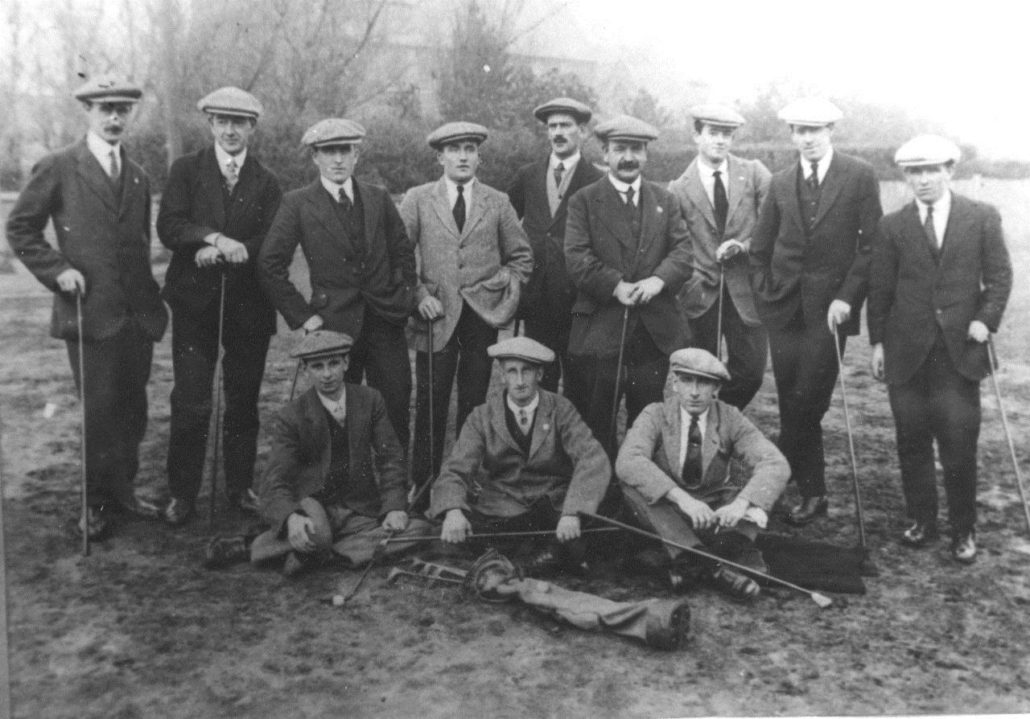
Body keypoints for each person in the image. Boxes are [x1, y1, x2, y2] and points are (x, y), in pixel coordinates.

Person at [5, 74, 168, 540]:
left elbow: (137, 241)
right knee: (99, 411)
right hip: (88, 311)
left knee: (133, 408)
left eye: (122, 110)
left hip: (136, 315)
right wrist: (57, 271)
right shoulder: (59, 166)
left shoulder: (137, 174)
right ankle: (92, 503)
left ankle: (123, 491)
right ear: (88, 113)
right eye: (105, 110)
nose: (115, 118)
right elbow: (20, 229)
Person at [868, 135, 1012, 563]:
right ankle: (921, 519)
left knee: (958, 444)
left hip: (959, 353)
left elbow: (1000, 279)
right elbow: (880, 289)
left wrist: (984, 321)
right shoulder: (892, 226)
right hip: (906, 353)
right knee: (911, 440)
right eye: (915, 172)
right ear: (905, 176)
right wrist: (877, 342)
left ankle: (963, 529)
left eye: (932, 170)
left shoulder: (981, 217)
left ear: (950, 170)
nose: (924, 180)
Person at [749, 98, 882, 525]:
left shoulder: (859, 175)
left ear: (830, 132)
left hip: (830, 312)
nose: (807, 138)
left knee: (808, 399)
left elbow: (870, 246)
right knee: (790, 399)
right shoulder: (783, 181)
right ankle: (812, 490)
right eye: (799, 130)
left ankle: (783, 470)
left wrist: (847, 297)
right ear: (791, 135)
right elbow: (760, 246)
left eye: (815, 130)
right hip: (783, 309)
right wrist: (765, 290)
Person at [157, 87, 282, 524]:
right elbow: (170, 225)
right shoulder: (187, 170)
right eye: (222, 121)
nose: (230, 130)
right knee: (191, 401)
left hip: (249, 306)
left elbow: (273, 239)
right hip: (194, 305)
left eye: (240, 122)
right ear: (210, 124)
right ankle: (183, 492)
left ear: (252, 127)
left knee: (243, 402)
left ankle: (239, 487)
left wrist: (235, 249)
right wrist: (208, 240)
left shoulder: (267, 181)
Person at [206, 331, 429, 575]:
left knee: (417, 529)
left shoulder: (370, 400)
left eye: (334, 363)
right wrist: (291, 517)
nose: (327, 374)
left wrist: (394, 506)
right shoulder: (292, 415)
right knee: (318, 532)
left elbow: (391, 458)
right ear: (305, 371)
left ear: (346, 363)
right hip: (313, 506)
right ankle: (252, 546)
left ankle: (323, 555)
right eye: (317, 366)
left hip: (359, 510)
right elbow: (274, 480)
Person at [400, 122, 533, 512]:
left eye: (470, 148)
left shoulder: (498, 201)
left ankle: (464, 481)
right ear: (439, 157)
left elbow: (522, 257)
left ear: (479, 156)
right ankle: (423, 482)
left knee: (474, 402)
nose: (462, 156)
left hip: (480, 319)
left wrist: (501, 288)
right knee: (430, 401)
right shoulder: (419, 198)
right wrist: (420, 294)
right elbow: (400, 256)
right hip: (435, 317)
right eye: (454, 149)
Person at [259, 118, 416, 448]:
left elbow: (402, 250)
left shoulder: (378, 198)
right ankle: (344, 490)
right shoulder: (298, 203)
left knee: (395, 406)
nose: (338, 160)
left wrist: (402, 297)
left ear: (356, 154)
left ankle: (396, 491)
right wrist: (303, 317)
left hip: (385, 322)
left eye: (345, 150)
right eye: (328, 152)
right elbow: (269, 264)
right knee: (338, 412)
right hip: (332, 325)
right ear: (315, 157)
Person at [563, 114, 692, 458]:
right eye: (619, 149)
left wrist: (657, 280)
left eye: (636, 149)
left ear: (647, 155)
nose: (628, 157)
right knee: (597, 418)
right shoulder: (584, 201)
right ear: (604, 153)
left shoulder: (665, 200)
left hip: (653, 332)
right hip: (601, 328)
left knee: (647, 417)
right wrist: (616, 286)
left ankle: (638, 486)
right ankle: (601, 491)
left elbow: (683, 252)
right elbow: (576, 257)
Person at [616, 348, 790, 601]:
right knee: (633, 487)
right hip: (669, 510)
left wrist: (740, 505)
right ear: (675, 384)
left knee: (764, 491)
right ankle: (708, 563)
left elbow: (775, 463)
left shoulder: (730, 417)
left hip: (714, 511)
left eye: (704, 382)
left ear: (716, 388)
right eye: (686, 381)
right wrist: (683, 500)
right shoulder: (655, 414)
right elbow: (628, 460)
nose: (694, 391)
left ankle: (688, 562)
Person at [429, 337, 611, 573]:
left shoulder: (561, 409)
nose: (520, 380)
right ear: (502, 376)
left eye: (527, 371)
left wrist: (573, 512)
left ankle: (544, 553)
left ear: (540, 374)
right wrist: (453, 511)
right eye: (512, 372)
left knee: (596, 530)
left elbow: (592, 458)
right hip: (504, 504)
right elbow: (455, 469)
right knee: (457, 533)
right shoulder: (481, 416)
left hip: (553, 505)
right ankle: (545, 555)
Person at [668, 104, 771, 409]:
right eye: (713, 133)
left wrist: (746, 245)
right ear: (696, 135)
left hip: (747, 293)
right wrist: (688, 281)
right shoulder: (678, 188)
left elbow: (774, 224)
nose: (721, 140)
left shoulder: (754, 173)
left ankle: (717, 418)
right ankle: (700, 432)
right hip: (700, 296)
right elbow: (676, 244)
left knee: (751, 373)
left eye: (727, 134)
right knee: (699, 373)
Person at [507, 97, 603, 392]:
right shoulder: (528, 175)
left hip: (579, 299)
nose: (558, 132)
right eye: (552, 126)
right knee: (540, 376)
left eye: (566, 125)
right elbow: (506, 223)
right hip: (537, 297)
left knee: (579, 380)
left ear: (583, 132)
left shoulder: (597, 180)